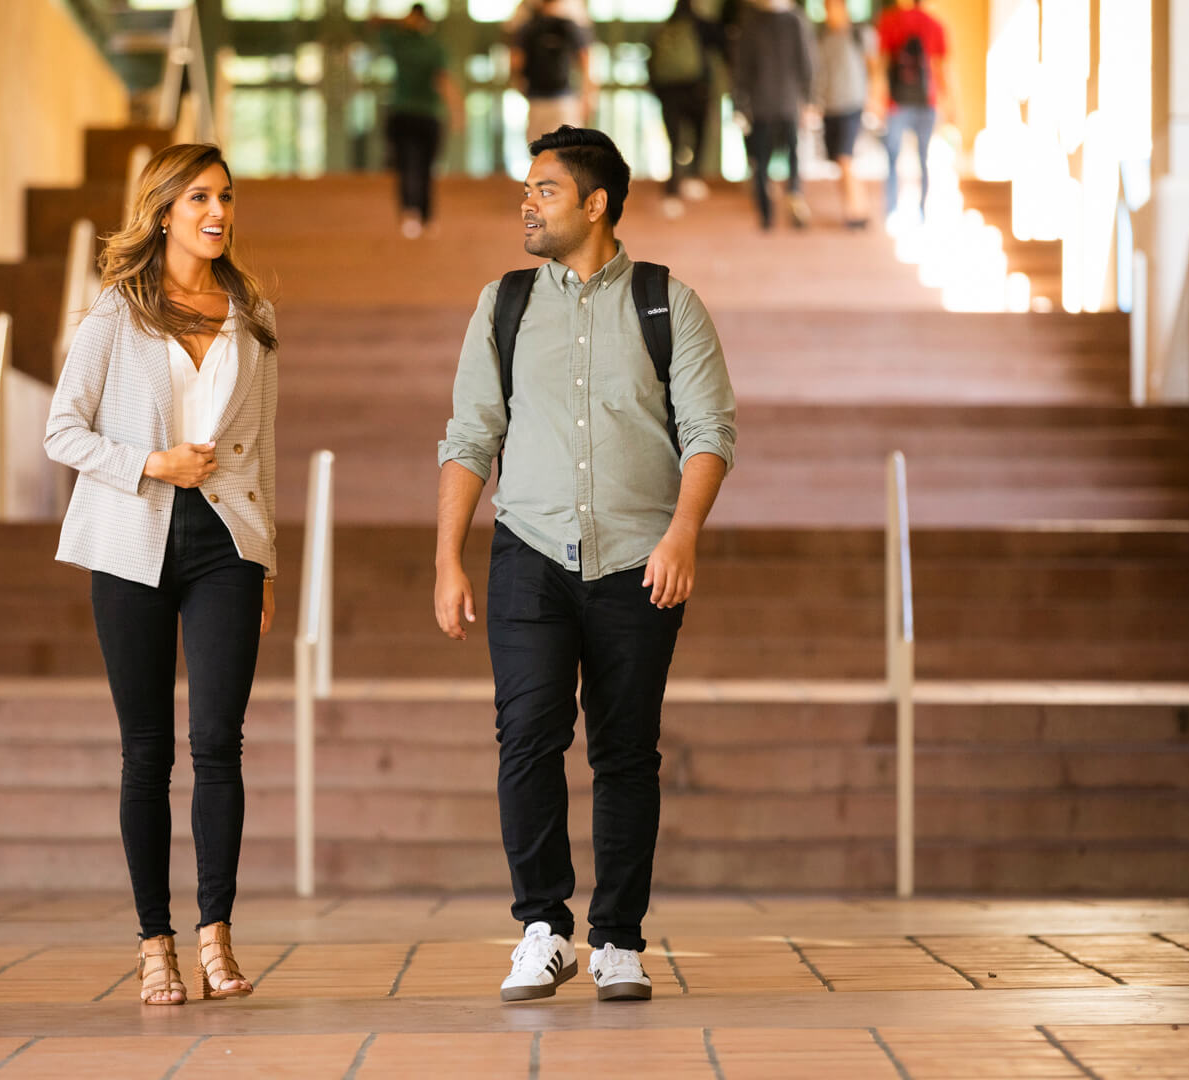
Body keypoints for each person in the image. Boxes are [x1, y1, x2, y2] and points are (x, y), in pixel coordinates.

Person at [434, 126, 737, 1003]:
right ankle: (542, 927)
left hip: (640, 561)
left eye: (545, 190)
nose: (526, 203)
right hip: (527, 553)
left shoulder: (667, 302)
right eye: (526, 190)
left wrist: (683, 532)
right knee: (527, 737)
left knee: (625, 751)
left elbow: (711, 431)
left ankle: (618, 941)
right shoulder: (504, 303)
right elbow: (468, 436)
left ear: (596, 203)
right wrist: (448, 559)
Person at [44, 143, 279, 1008]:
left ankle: (216, 933)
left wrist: (268, 565)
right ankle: (156, 943)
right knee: (145, 753)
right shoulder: (116, 314)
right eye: (200, 198)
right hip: (131, 539)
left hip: (227, 545)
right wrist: (152, 462)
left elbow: (269, 452)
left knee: (219, 743)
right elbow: (61, 432)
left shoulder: (249, 314)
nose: (217, 213)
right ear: (164, 209)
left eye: (225, 197)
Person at [373, 3, 466, 239]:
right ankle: (412, 214)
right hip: (405, 113)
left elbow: (443, 79)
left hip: (426, 114)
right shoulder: (402, 42)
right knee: (409, 166)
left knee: (422, 167)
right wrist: (456, 110)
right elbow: (374, 21)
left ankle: (423, 214)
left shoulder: (430, 47)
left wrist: (455, 109)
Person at [730, 0, 817, 230]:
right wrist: (739, 105)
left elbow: (807, 63)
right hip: (762, 106)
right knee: (762, 160)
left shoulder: (795, 21)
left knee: (791, 156)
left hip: (787, 105)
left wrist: (809, 101)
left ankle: (794, 196)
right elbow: (742, 69)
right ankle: (766, 213)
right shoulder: (752, 23)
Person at [873, 0, 954, 223]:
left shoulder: (890, 21)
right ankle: (922, 211)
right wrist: (950, 105)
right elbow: (941, 69)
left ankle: (891, 210)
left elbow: (881, 63)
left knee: (892, 158)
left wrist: (876, 99)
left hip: (896, 103)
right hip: (927, 102)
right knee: (924, 158)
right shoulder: (935, 25)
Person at [648, 0, 722, 219]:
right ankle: (693, 177)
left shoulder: (664, 27)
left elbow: (650, 63)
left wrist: (659, 92)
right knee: (699, 134)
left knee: (674, 141)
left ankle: (673, 187)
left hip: (669, 93)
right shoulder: (702, 25)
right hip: (696, 91)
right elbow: (723, 46)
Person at [814, 0, 875, 229]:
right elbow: (819, 73)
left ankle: (856, 211)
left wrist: (874, 97)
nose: (830, 14)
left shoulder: (859, 34)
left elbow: (873, 66)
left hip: (852, 104)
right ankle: (856, 206)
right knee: (840, 162)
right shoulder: (824, 38)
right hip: (830, 106)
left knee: (845, 158)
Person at [510, 0, 597, 141]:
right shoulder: (569, 25)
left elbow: (516, 62)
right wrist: (588, 96)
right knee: (567, 153)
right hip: (563, 100)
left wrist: (519, 85)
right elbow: (586, 60)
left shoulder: (529, 26)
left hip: (539, 100)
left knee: (539, 150)